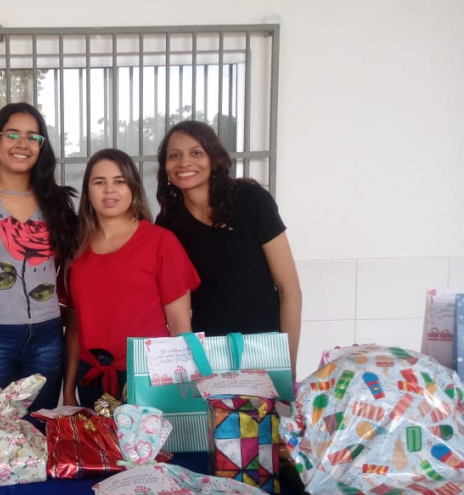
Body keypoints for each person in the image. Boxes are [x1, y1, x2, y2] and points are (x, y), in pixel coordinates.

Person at [0, 103, 77, 412]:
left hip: (48, 336)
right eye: (12, 134)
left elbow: (64, 270)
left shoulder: (56, 201)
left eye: (32, 137)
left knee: (40, 423)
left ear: (41, 146)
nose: (22, 144)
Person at [155, 120, 302, 377]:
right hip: (208, 356)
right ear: (165, 167)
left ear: (214, 158)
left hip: (265, 349)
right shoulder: (168, 223)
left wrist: (288, 368)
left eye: (196, 153)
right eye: (174, 156)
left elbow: (290, 290)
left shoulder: (250, 200)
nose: (184, 162)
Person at [62, 149, 200, 408]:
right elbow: (74, 328)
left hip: (149, 378)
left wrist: (184, 397)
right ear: (88, 192)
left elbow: (180, 326)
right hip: (91, 378)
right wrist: (68, 389)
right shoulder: (77, 249)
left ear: (133, 188)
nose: (109, 190)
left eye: (119, 181)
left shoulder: (161, 242)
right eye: (99, 182)